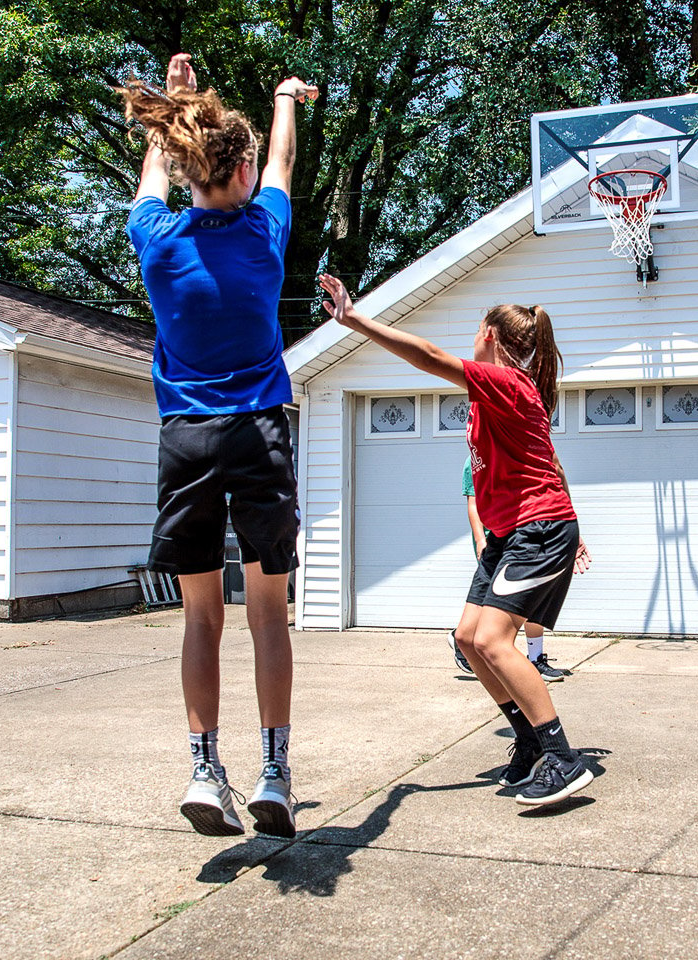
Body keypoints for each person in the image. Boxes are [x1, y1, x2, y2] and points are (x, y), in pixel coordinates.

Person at [121, 53, 318, 838]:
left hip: (188, 440)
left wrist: (173, 110)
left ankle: (206, 769)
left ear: (188, 165)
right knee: (268, 613)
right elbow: (284, 158)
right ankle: (274, 771)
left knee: (201, 617)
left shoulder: (157, 244)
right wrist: (283, 98)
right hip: (259, 433)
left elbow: (151, 184)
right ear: (238, 170)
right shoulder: (265, 234)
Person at [320, 275, 593, 806]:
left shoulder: (506, 383)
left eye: (475, 329)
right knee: (468, 640)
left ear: (490, 334)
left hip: (538, 529)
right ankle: (530, 741)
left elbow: (425, 355)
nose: (472, 338)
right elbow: (549, 460)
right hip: (510, 533)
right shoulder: (508, 392)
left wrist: (355, 320)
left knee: (495, 641)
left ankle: (562, 759)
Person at [451, 457, 566, 681]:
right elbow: (473, 503)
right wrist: (480, 540)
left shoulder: (516, 451)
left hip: (521, 538)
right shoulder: (475, 459)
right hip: (494, 542)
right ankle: (462, 639)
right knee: (493, 605)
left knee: (532, 597)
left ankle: (535, 658)